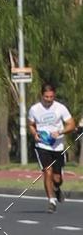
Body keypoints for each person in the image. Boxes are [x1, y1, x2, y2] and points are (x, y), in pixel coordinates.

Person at [28, 83, 75, 213]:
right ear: (42, 95)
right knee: (47, 172)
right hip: (42, 146)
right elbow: (31, 125)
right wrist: (34, 134)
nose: (49, 99)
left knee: (57, 178)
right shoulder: (34, 109)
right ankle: (51, 201)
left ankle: (56, 188)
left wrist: (60, 132)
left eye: (51, 97)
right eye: (46, 97)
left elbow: (71, 124)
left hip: (58, 146)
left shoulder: (60, 108)